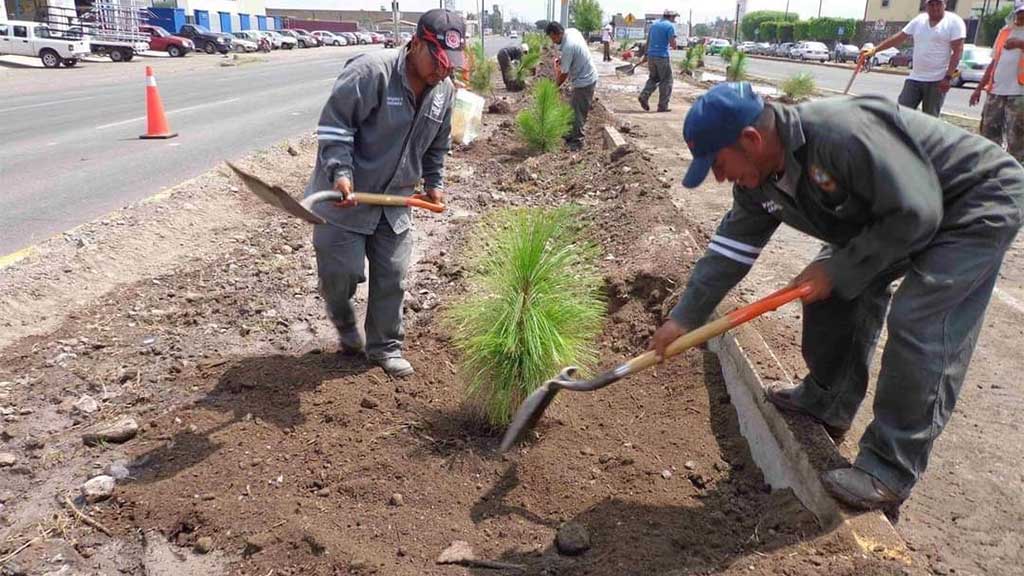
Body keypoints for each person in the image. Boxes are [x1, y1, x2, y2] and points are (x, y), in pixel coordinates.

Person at [651, 82, 1023, 514]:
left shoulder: (838, 136)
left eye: (718, 163)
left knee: (921, 322)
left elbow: (918, 213)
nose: (718, 177)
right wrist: (685, 317)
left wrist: (841, 268)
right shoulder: (758, 182)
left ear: (751, 140)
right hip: (894, 212)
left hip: (972, 199)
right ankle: (829, 401)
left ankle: (889, 469)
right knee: (825, 293)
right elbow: (731, 250)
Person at [306, 9, 464, 378]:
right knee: (339, 275)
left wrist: (434, 184)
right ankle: (346, 328)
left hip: (394, 202)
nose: (443, 71)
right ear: (417, 44)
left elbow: (437, 148)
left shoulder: (444, 92)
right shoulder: (370, 73)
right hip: (344, 198)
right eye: (438, 61)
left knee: (392, 275)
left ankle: (384, 347)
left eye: (450, 64)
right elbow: (335, 129)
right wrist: (341, 174)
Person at [862, 0, 965, 116]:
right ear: (926, 5)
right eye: (931, 4)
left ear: (944, 4)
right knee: (900, 113)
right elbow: (899, 38)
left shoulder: (954, 22)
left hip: (937, 80)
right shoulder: (919, 20)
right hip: (915, 77)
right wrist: (875, 50)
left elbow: (958, 51)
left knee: (929, 119)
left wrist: (948, 77)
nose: (935, 7)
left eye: (938, 4)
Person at [970, 0, 1024, 162]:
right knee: (988, 134)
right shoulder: (1005, 32)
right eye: (1020, 13)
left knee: (1017, 139)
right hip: (996, 91)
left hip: (1019, 94)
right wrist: (979, 88)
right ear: (1015, 13)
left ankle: (1016, 175)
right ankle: (992, 169)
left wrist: (1020, 44)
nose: (1022, 16)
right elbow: (994, 62)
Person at [546, 21, 598, 151]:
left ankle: (577, 142)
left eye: (552, 38)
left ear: (556, 34)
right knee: (574, 108)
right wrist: (563, 60)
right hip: (585, 74)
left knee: (578, 112)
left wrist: (553, 87)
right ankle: (570, 134)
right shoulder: (571, 31)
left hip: (585, 80)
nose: (552, 41)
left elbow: (563, 74)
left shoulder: (568, 47)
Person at [638, 10, 678, 112]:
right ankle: (662, 106)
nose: (675, 19)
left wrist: (646, 55)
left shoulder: (654, 25)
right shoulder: (670, 26)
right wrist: (675, 45)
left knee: (653, 78)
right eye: (674, 17)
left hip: (651, 55)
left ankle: (644, 95)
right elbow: (673, 44)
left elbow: (648, 41)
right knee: (667, 81)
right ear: (671, 17)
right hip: (662, 57)